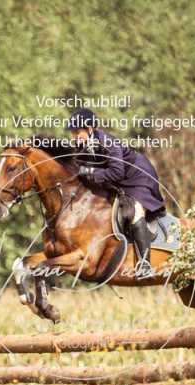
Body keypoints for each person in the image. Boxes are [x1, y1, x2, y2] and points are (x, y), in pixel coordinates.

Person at [65, 107, 166, 279]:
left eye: (77, 132)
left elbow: (116, 172)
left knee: (135, 212)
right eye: (72, 133)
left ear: (89, 129)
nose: (74, 137)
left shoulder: (107, 143)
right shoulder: (84, 145)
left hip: (139, 178)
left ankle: (145, 264)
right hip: (120, 181)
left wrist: (90, 172)